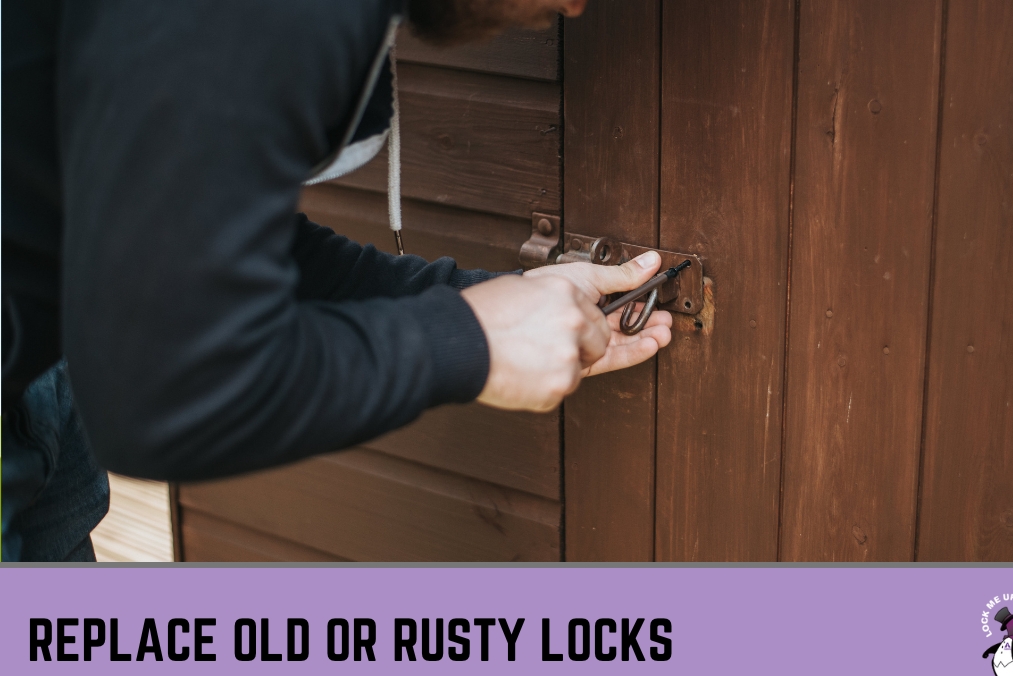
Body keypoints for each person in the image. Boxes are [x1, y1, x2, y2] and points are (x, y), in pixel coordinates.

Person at [1, 0, 669, 561]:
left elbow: (189, 235)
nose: (580, 5)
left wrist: (488, 301)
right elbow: (156, 395)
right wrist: (471, 340)